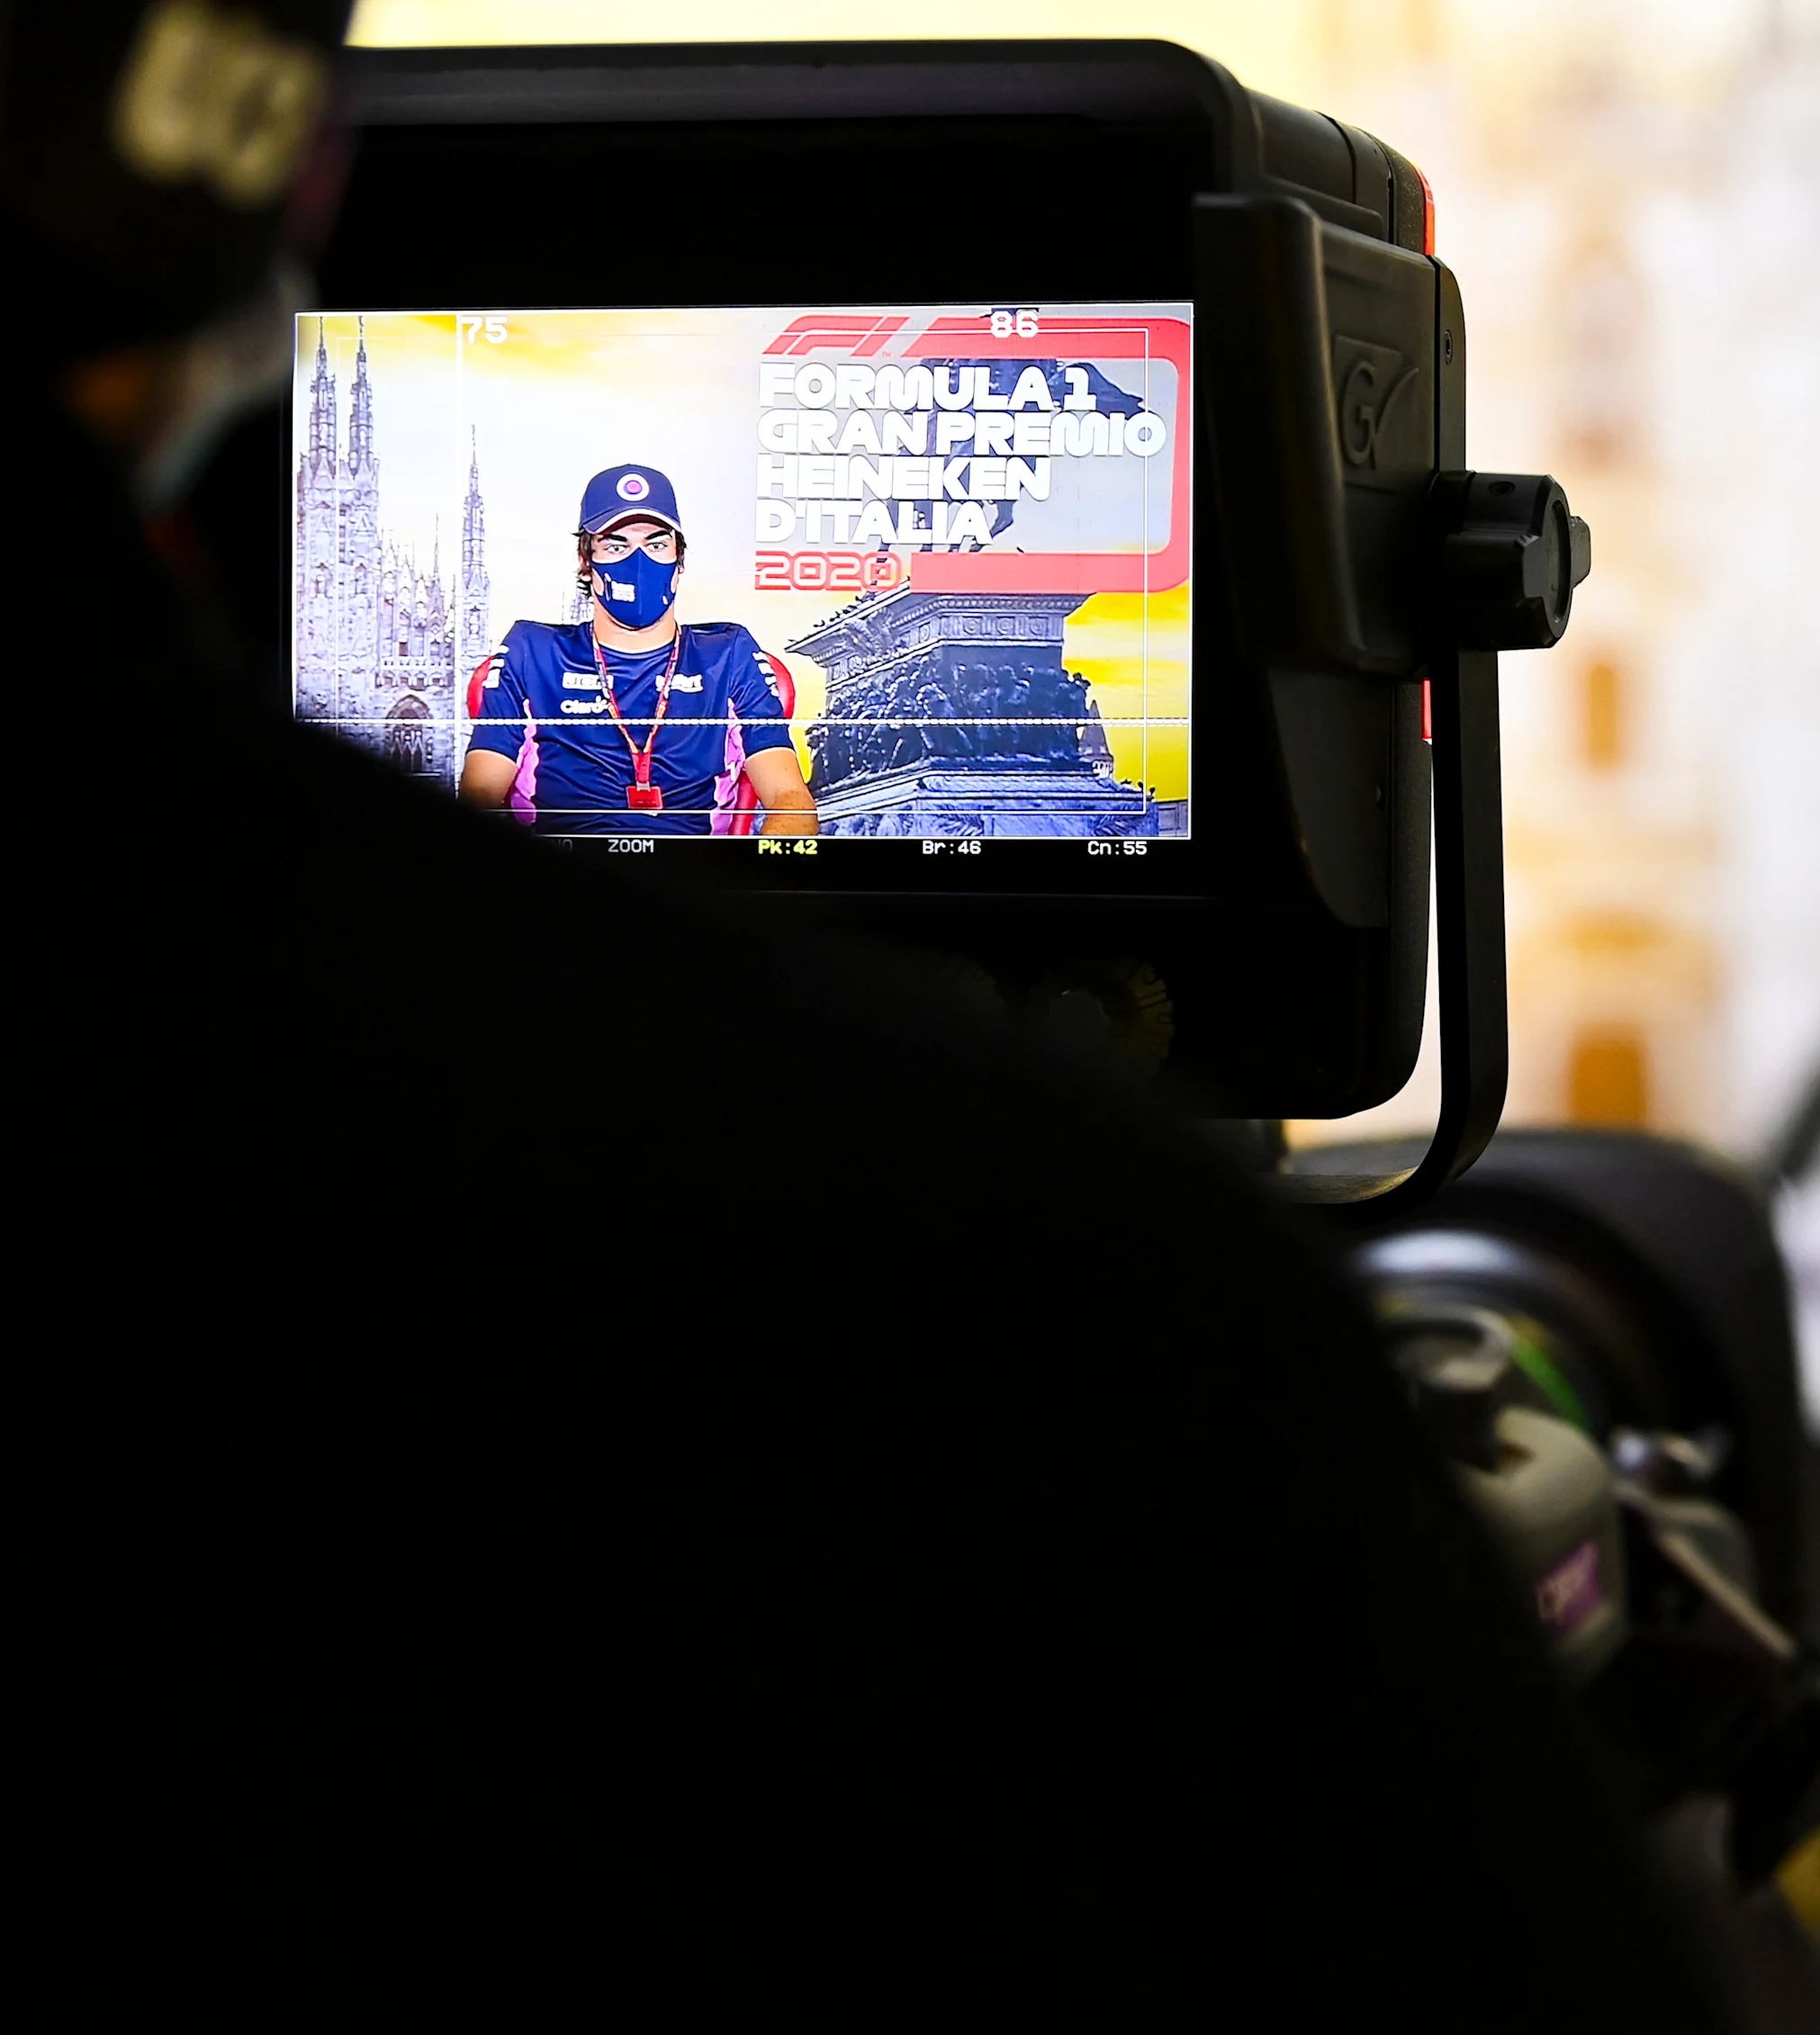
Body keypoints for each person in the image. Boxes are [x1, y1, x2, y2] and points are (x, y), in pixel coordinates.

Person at [13, 8, 1733, 2030]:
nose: (644, 571)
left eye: (663, 541)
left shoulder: (716, 723)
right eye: (621, 545)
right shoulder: (1046, 1302)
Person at [461, 464, 817, 835]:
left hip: (695, 878)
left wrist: (765, 877)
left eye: (657, 544)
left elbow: (789, 797)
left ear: (679, 561)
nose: (639, 561)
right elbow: (480, 791)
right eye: (616, 545)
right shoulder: (530, 651)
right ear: (586, 563)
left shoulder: (728, 654)